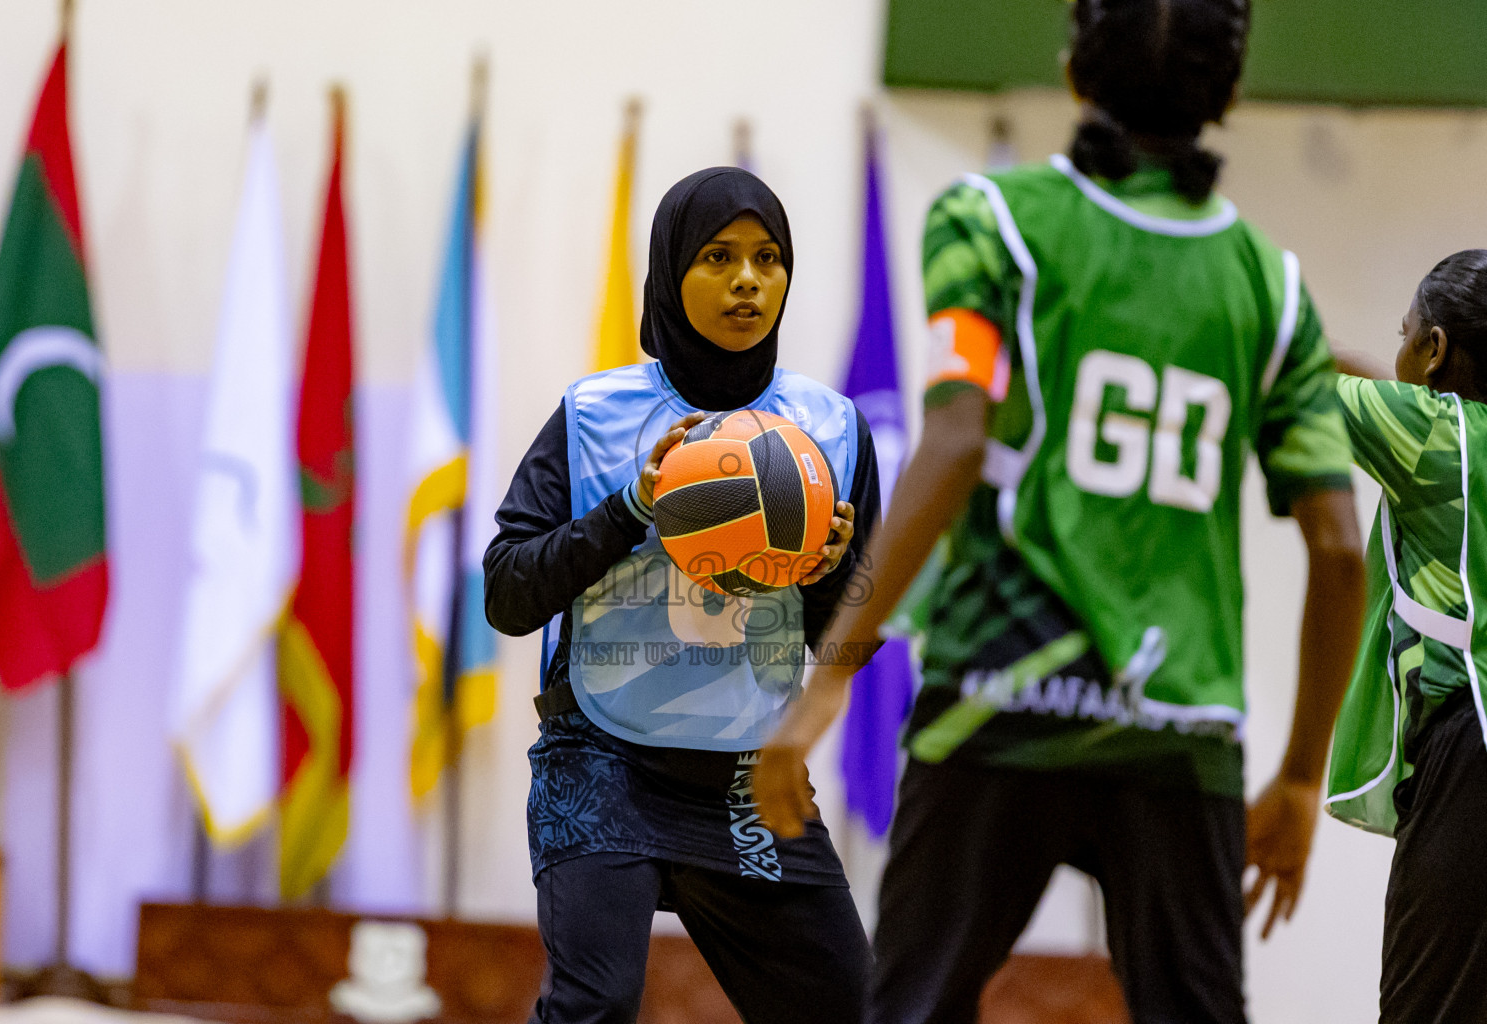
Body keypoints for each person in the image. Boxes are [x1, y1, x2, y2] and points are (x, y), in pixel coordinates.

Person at [754, 1, 1368, 1021]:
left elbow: (952, 441)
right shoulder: (1275, 285)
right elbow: (1340, 550)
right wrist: (1302, 778)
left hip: (1000, 700)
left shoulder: (991, 220)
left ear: (1075, 72)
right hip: (1180, 727)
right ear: (1229, 95)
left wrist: (827, 681)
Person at [484, 167, 880, 1024]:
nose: (748, 279)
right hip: (602, 758)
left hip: (750, 780)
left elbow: (855, 645)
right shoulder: (594, 412)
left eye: (769, 257)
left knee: (855, 1010)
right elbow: (506, 595)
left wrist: (823, 578)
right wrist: (631, 509)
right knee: (597, 1004)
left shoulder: (830, 429)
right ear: (670, 271)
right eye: (718, 256)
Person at [1326, 251, 1487, 1024]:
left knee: (1425, 1008)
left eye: (1405, 335)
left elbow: (1302, 388)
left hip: (1471, 750)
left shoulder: (1433, 436)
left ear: (1435, 350)